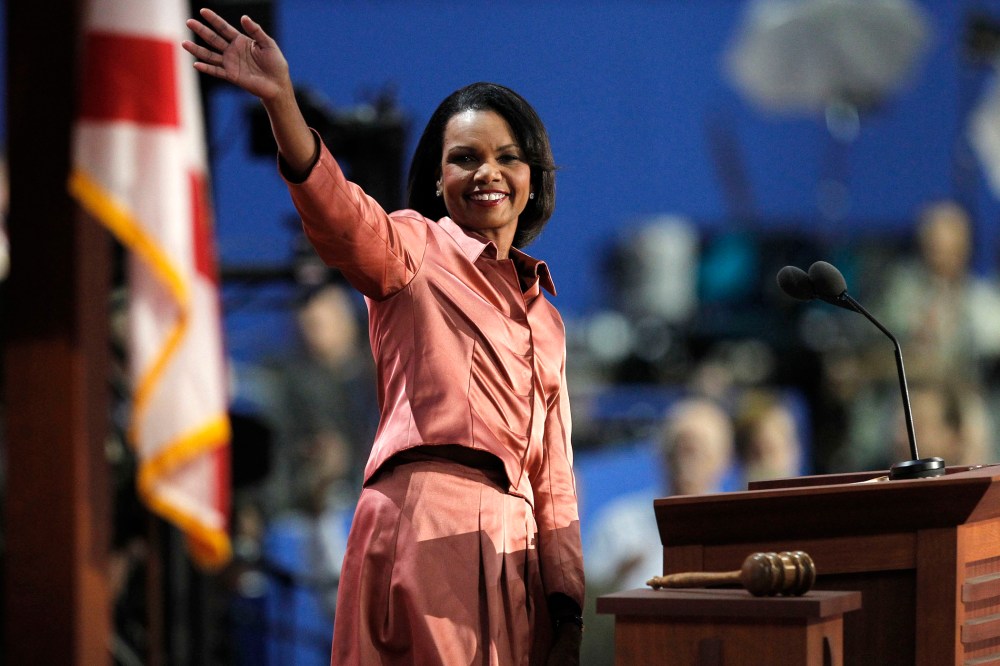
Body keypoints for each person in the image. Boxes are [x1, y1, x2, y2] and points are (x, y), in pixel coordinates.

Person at [183, 8, 584, 665]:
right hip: (428, 521)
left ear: (532, 178)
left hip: (514, 552)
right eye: (466, 158)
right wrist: (283, 104)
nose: (488, 172)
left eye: (508, 157)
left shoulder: (547, 317)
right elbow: (340, 214)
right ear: (437, 178)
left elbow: (555, 479)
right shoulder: (414, 245)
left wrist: (566, 606)